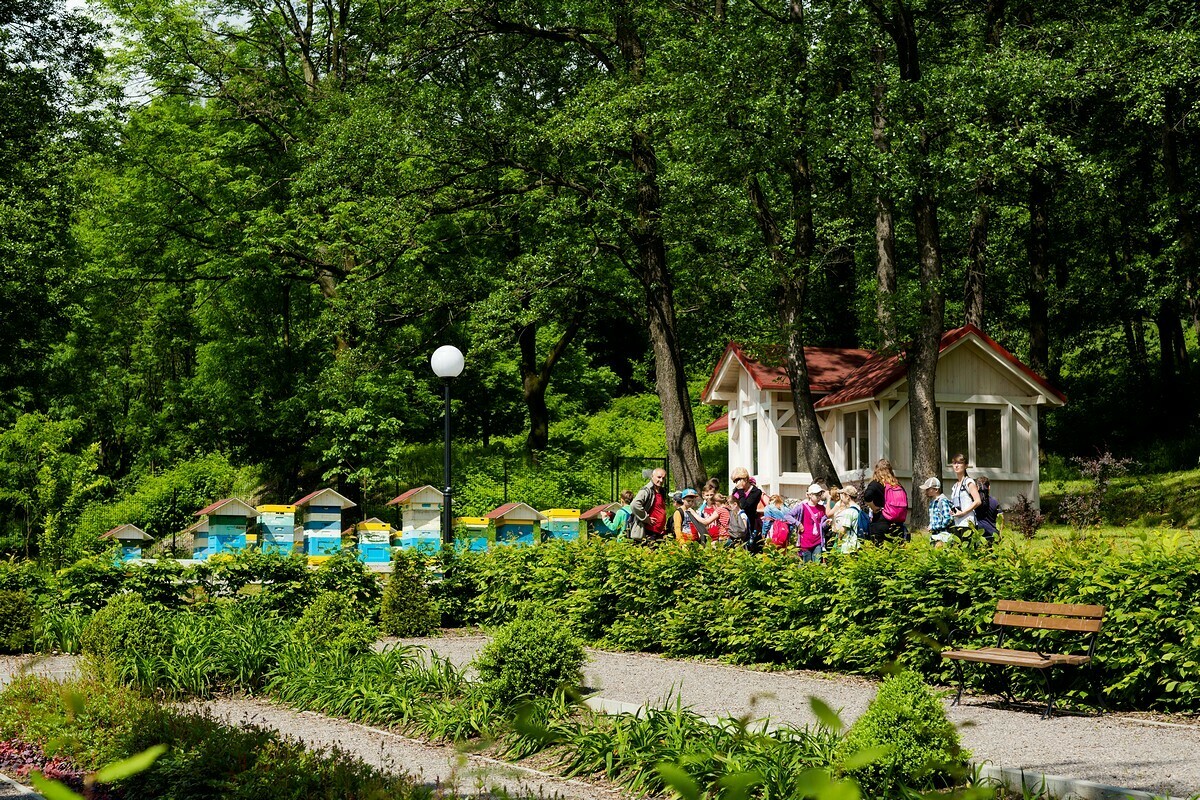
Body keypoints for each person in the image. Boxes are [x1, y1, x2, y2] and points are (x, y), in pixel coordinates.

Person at [863, 459, 908, 544]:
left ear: (876, 470)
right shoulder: (897, 485)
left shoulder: (875, 483)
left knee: (879, 553)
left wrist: (874, 507)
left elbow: (867, 496)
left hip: (880, 522)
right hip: (898, 525)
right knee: (897, 552)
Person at [630, 468, 669, 545]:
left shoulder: (661, 491)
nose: (661, 480)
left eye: (663, 478)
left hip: (659, 532)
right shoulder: (647, 490)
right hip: (649, 532)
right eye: (659, 477)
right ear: (652, 476)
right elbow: (634, 505)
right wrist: (646, 518)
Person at [730, 467, 763, 553]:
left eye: (738, 480)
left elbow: (745, 506)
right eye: (735, 481)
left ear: (745, 479)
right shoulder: (735, 491)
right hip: (737, 524)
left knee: (749, 549)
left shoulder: (756, 492)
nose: (737, 483)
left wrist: (741, 490)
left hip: (750, 526)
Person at [948, 453, 982, 535]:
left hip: (968, 523)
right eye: (954, 463)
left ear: (966, 466)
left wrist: (964, 513)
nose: (956, 465)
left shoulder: (968, 482)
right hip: (957, 523)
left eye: (959, 463)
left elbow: (978, 501)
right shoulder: (955, 486)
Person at [796, 483, 827, 563]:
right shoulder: (802, 507)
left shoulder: (822, 508)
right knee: (806, 565)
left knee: (817, 565)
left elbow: (821, 526)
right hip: (805, 541)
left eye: (820, 494)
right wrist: (798, 524)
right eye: (816, 494)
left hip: (818, 541)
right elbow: (788, 516)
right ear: (809, 495)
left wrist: (826, 523)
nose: (819, 497)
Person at [830, 484, 863, 553]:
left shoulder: (849, 511)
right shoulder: (858, 508)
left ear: (847, 496)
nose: (841, 497)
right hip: (857, 544)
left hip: (849, 546)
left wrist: (838, 538)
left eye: (842, 495)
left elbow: (843, 530)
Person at [922, 477, 954, 546]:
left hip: (943, 536)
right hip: (935, 536)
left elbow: (948, 518)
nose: (926, 491)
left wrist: (934, 527)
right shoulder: (932, 502)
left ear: (936, 489)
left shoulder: (942, 501)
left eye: (928, 489)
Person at [973, 476, 1001, 541]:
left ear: (976, 488)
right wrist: (1000, 535)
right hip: (993, 535)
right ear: (989, 487)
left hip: (978, 535)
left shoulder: (974, 503)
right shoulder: (995, 502)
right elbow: (1001, 520)